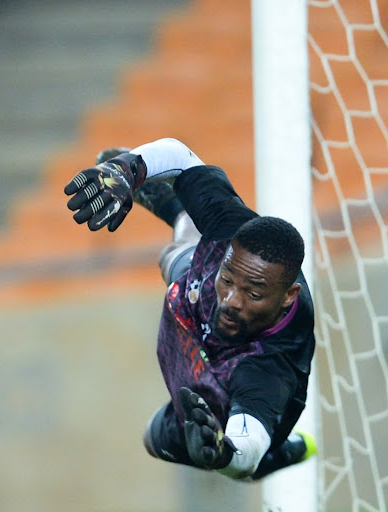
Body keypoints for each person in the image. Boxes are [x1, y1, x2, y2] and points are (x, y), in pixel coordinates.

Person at [64, 138, 317, 481]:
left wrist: (221, 453)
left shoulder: (270, 367)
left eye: (254, 294)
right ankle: (179, 211)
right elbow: (181, 156)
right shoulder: (230, 224)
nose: (232, 300)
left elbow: (249, 442)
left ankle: (286, 451)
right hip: (195, 295)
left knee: (163, 441)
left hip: (229, 376)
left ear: (289, 296)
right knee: (175, 256)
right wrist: (128, 168)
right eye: (229, 279)